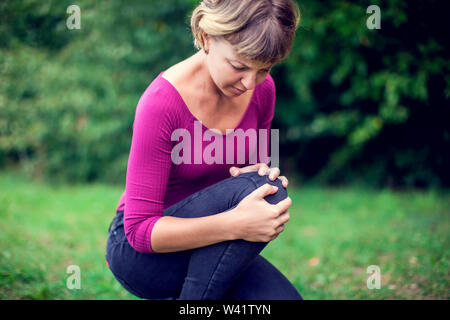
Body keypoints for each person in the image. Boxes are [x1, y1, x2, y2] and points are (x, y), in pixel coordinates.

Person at [105, 0, 302, 300]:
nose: (250, 83)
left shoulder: (263, 90)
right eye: (239, 66)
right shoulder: (161, 103)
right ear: (207, 36)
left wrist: (261, 173)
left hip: (213, 245)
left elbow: (252, 175)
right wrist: (234, 224)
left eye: (264, 69)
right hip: (144, 255)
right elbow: (140, 231)